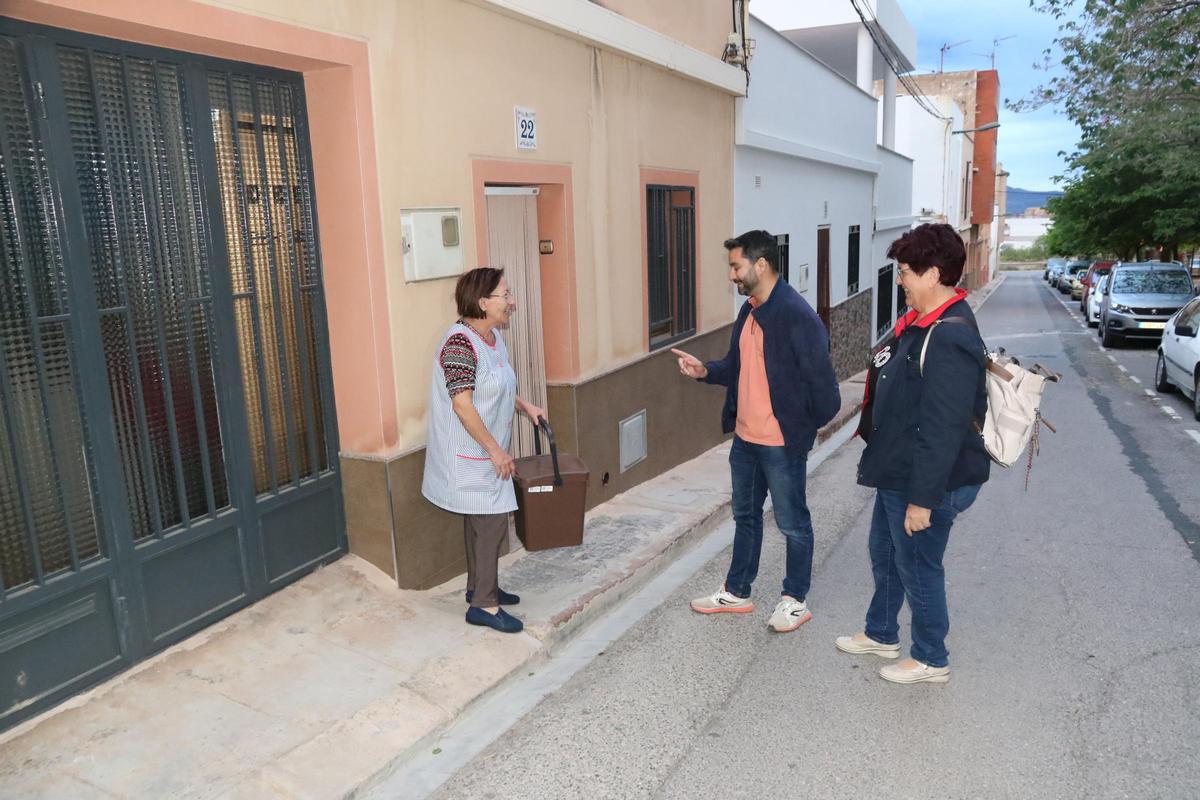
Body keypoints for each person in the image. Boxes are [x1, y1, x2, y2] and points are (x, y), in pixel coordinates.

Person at [837, 223, 989, 684]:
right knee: (884, 552)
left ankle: (929, 657)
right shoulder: (919, 326)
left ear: (933, 274)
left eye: (905, 272)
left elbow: (942, 428)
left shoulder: (951, 337)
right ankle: (882, 631)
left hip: (926, 480)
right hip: (898, 469)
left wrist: (923, 500)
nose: (899, 279)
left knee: (919, 566)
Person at [671, 230, 841, 633]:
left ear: (760, 265)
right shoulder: (750, 310)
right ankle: (737, 590)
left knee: (792, 522)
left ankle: (795, 600)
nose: (732, 274)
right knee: (746, 517)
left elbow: (827, 395)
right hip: (746, 440)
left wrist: (797, 432)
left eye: (736, 266)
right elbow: (737, 366)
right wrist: (705, 371)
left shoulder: (797, 317)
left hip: (781, 445)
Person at [422, 267, 546, 634]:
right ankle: (485, 607)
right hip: (470, 454)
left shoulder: (489, 337)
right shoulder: (459, 344)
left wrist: (527, 407)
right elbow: (462, 404)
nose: (512, 302)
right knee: (490, 523)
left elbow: (500, 381)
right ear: (482, 302)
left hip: (484, 451)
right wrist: (495, 451)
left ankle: (479, 586)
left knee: (479, 524)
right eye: (505, 295)